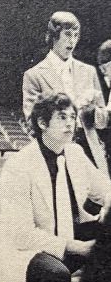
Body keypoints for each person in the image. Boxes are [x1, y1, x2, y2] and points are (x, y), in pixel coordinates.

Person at [0, 93, 111, 282]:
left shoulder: (75, 153)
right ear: (42, 123)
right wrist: (78, 248)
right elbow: (21, 234)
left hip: (72, 233)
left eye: (72, 117)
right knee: (54, 275)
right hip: (33, 247)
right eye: (62, 117)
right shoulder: (18, 166)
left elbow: (106, 190)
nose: (70, 123)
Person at [23, 12, 108, 173]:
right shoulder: (33, 75)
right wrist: (75, 106)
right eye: (67, 34)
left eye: (76, 35)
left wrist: (92, 112)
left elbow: (103, 121)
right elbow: (32, 122)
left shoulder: (89, 72)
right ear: (54, 36)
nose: (72, 41)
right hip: (55, 153)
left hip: (90, 154)